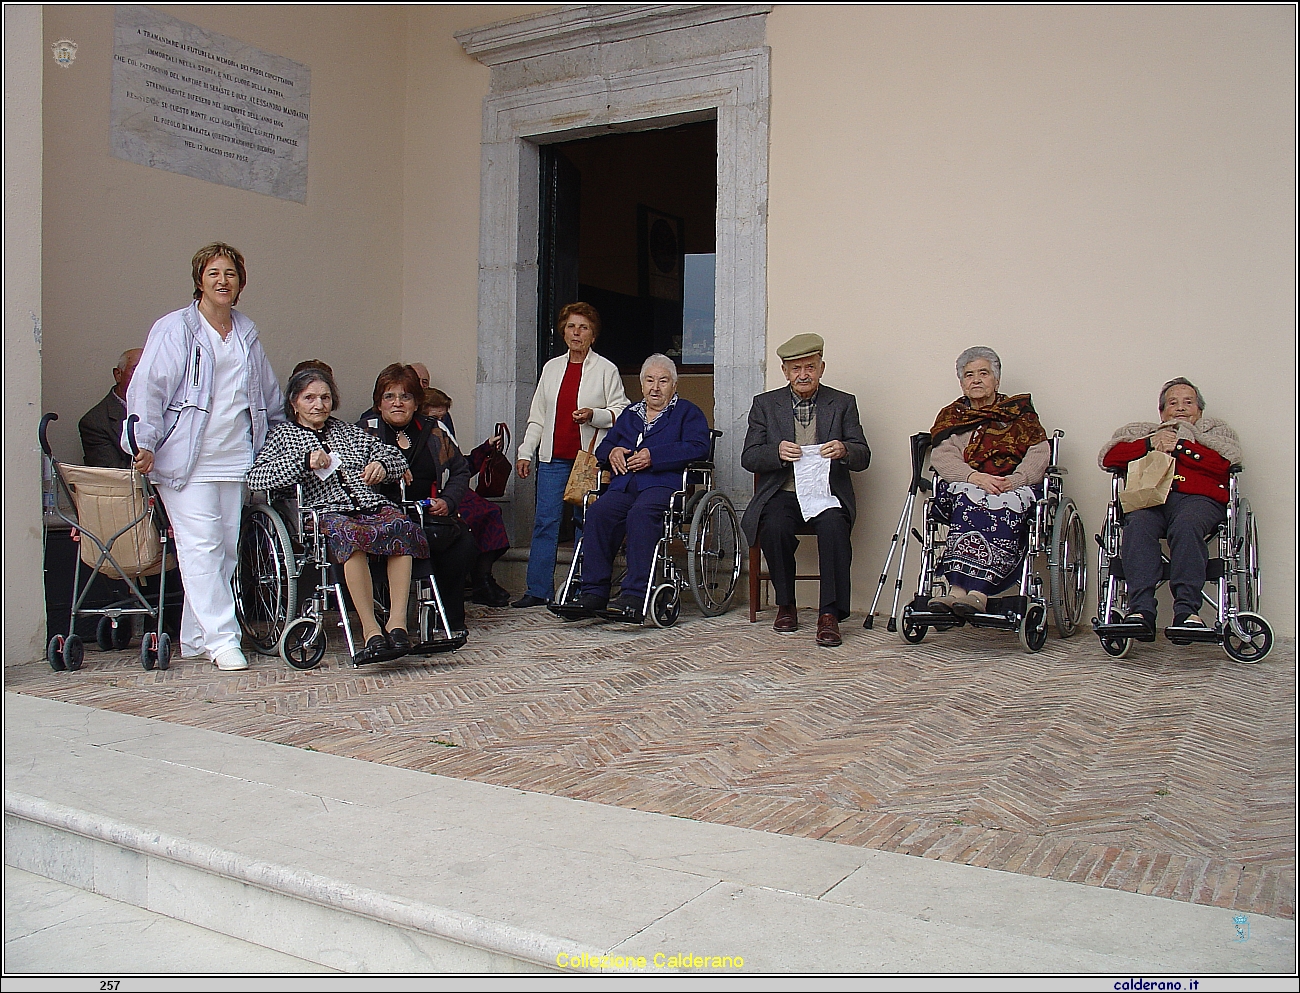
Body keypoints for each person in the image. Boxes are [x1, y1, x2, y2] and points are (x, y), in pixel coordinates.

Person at [126, 243, 284, 672]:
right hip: (185, 459)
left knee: (225, 552)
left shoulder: (246, 333)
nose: (222, 280)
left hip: (235, 458)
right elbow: (149, 388)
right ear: (199, 280)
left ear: (240, 283)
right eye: (213, 273)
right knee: (199, 548)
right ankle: (222, 639)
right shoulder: (175, 328)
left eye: (230, 273)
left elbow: (268, 398)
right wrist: (144, 440)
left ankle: (195, 638)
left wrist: (275, 443)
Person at [247, 366, 429, 663]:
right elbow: (257, 477)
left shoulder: (348, 432)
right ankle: (371, 630)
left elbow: (393, 455)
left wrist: (382, 465)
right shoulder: (282, 436)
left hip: (368, 506)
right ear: (294, 403)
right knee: (350, 536)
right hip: (324, 512)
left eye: (325, 397)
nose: (318, 405)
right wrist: (303, 462)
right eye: (309, 398)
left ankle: (396, 624)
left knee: (400, 525)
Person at [741, 333, 870, 647]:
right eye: (795, 368)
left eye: (809, 367)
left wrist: (844, 449)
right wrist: (776, 451)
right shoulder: (765, 405)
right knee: (773, 526)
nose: (803, 374)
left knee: (834, 528)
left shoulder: (842, 403)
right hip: (782, 492)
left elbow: (863, 455)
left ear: (821, 368)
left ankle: (829, 614)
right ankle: (786, 605)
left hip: (826, 493)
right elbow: (749, 456)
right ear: (784, 372)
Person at [1099, 377, 1241, 634]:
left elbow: (1225, 464)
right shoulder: (1143, 432)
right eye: (1173, 403)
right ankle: (1140, 611)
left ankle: (1187, 611)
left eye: (1189, 402)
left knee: (1187, 525)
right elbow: (1109, 458)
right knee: (1138, 524)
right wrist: (1149, 444)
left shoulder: (1215, 432)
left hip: (1198, 500)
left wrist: (1182, 447)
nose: (1181, 408)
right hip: (1151, 499)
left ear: (1199, 410)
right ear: (1162, 412)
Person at [576, 354, 712, 620]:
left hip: (663, 485)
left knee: (641, 514)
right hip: (625, 484)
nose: (655, 387)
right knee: (598, 513)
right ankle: (593, 591)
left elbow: (699, 447)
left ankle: (636, 594)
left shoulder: (687, 412)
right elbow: (604, 447)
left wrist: (655, 456)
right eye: (650, 380)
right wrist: (612, 451)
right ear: (641, 385)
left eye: (663, 381)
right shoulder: (630, 415)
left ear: (674, 385)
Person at [513, 302, 629, 607]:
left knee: (585, 522)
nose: (576, 333)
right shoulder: (551, 368)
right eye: (571, 327)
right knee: (545, 522)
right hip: (552, 458)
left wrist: (594, 415)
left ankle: (579, 588)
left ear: (593, 335)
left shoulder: (606, 369)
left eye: (584, 328)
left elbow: (621, 412)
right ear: (563, 332)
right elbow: (537, 416)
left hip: (587, 460)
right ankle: (538, 589)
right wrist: (526, 452)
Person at [926, 347, 1051, 617]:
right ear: (961, 383)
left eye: (984, 373)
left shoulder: (1019, 415)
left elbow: (1039, 452)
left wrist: (1017, 480)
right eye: (969, 375)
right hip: (968, 483)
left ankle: (978, 594)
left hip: (1012, 485)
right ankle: (957, 592)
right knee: (970, 502)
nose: (976, 380)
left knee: (1003, 504)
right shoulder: (952, 416)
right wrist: (975, 477)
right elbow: (942, 457)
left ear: (997, 379)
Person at [357, 364, 476, 634]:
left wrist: (447, 501)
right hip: (382, 517)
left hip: (430, 513)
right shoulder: (364, 432)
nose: (397, 403)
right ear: (379, 402)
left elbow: (460, 470)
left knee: (463, 542)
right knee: (412, 539)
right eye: (389, 396)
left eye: (405, 396)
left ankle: (448, 620)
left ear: (416, 402)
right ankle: (398, 619)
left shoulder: (435, 431)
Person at [421, 385, 513, 607]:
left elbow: (461, 466)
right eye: (435, 417)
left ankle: (483, 578)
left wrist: (486, 448)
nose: (440, 423)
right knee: (466, 522)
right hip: (430, 496)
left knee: (491, 512)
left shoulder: (442, 435)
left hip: (452, 492)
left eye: (443, 417)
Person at [80, 348, 142, 468]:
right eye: (136, 369)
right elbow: (113, 474)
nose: (145, 376)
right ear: (118, 374)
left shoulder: (170, 408)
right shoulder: (95, 422)